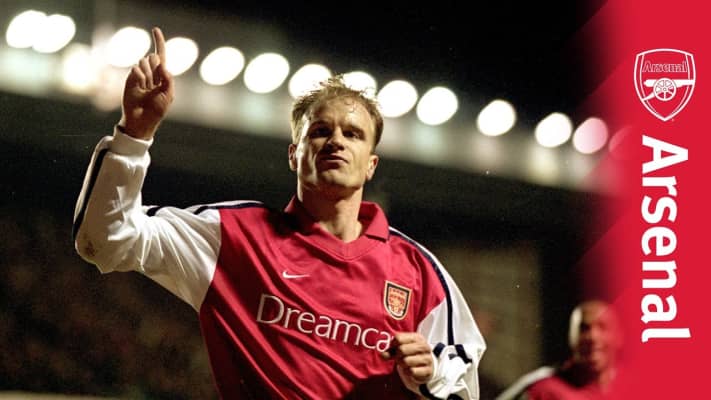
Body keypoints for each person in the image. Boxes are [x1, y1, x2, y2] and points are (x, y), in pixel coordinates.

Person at [73, 27, 486, 399]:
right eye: (320, 131)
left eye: (353, 133)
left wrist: (432, 374)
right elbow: (106, 241)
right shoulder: (232, 236)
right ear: (294, 154)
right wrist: (135, 133)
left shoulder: (418, 270)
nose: (336, 141)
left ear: (371, 165)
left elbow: (463, 380)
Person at [496, 300, 623, 400]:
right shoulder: (544, 389)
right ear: (571, 337)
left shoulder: (631, 388)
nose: (593, 337)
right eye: (583, 328)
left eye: (602, 327)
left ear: (619, 336)